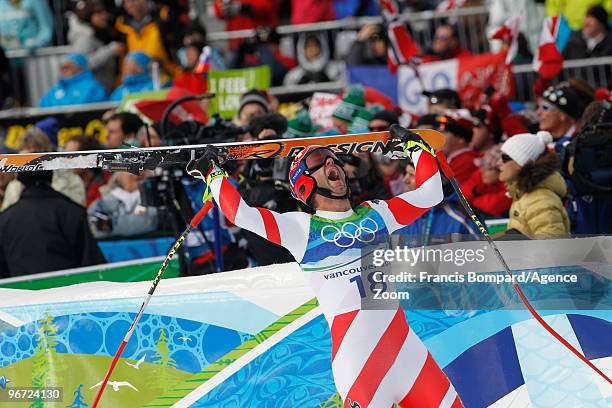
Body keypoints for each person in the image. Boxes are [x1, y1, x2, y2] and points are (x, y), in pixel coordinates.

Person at [186, 124, 462, 407]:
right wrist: (213, 173)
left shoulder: (378, 213)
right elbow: (241, 214)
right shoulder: (301, 227)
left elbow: (431, 193)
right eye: (318, 160)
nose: (332, 162)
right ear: (304, 182)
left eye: (334, 159)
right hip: (360, 365)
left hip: (407, 353)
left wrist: (415, 149)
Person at [0, 169, 105, 278]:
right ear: (50, 177)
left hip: (21, 292)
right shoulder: (72, 211)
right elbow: (92, 263)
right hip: (68, 289)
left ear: (20, 180)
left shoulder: (5, 219)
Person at [499, 131, 570, 238]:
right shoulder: (526, 196)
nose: (498, 163)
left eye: (504, 158)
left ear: (521, 163)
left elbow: (552, 250)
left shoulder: (540, 200)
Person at [1, 128, 86, 211]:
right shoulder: (15, 185)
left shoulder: (69, 179)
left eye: (34, 156)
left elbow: (75, 211)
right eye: (26, 158)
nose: (31, 164)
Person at [396, 162, 478, 246]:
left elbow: (483, 253)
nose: (405, 180)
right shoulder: (402, 217)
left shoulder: (459, 218)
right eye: (406, 173)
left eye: (412, 175)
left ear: (430, 181)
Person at [68, 0, 126, 93]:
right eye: (99, 13)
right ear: (89, 17)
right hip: (91, 95)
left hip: (103, 92)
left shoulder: (101, 34)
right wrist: (110, 50)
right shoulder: (85, 38)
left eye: (104, 12)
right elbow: (81, 65)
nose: (104, 16)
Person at [115, 0, 180, 77]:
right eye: (125, 2)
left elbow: (177, 49)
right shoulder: (121, 25)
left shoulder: (164, 16)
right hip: (137, 82)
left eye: (132, 0)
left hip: (166, 76)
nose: (129, 5)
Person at [88, 172, 158, 238]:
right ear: (118, 175)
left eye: (144, 168)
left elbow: (151, 222)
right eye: (131, 170)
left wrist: (110, 225)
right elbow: (92, 227)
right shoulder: (103, 202)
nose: (138, 173)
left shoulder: (156, 198)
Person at [537, 80, 595, 148]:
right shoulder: (536, 141)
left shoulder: (581, 144)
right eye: (538, 106)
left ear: (563, 115)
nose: (538, 112)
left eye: (545, 107)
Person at [39, 53, 107, 108]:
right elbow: (43, 105)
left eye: (67, 67)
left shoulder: (93, 88)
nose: (63, 70)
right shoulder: (57, 88)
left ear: (80, 68)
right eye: (61, 67)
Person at [462, 144, 512, 218]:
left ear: (500, 170)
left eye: (488, 168)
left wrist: (473, 201)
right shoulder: (480, 174)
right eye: (483, 166)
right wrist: (476, 191)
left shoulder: (509, 183)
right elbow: (461, 194)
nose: (482, 171)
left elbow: (493, 206)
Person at [64, 134, 112, 207]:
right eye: (65, 155)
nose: (66, 160)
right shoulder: (66, 184)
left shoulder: (104, 187)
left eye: (72, 156)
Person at [213, 0, 280, 50]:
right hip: (237, 41)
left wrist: (245, 7)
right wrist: (224, 7)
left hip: (262, 39)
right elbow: (218, 12)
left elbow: (268, 8)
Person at [438, 111, 479, 185]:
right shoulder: (456, 160)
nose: (439, 137)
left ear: (461, 139)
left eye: (445, 133)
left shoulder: (465, 162)